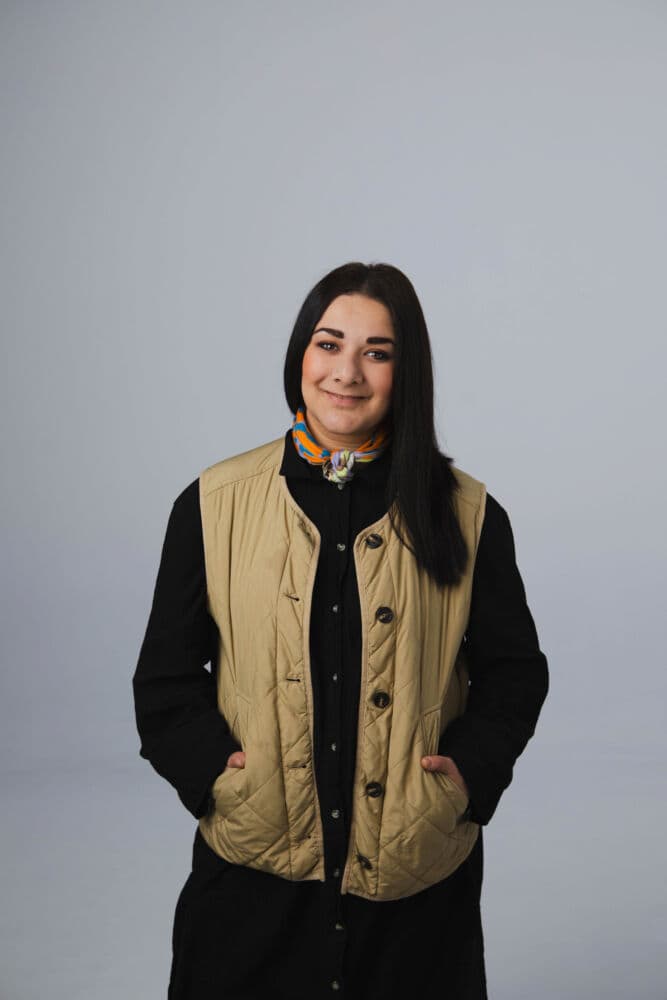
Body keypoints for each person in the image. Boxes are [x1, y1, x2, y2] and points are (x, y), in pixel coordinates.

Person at [132, 261, 549, 999]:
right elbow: (166, 680)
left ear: (406, 372)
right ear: (301, 354)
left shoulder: (467, 513)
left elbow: (513, 674)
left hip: (415, 890)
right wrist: (216, 778)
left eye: (376, 352)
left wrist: (466, 779)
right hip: (252, 878)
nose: (346, 373)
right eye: (328, 344)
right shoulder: (212, 504)